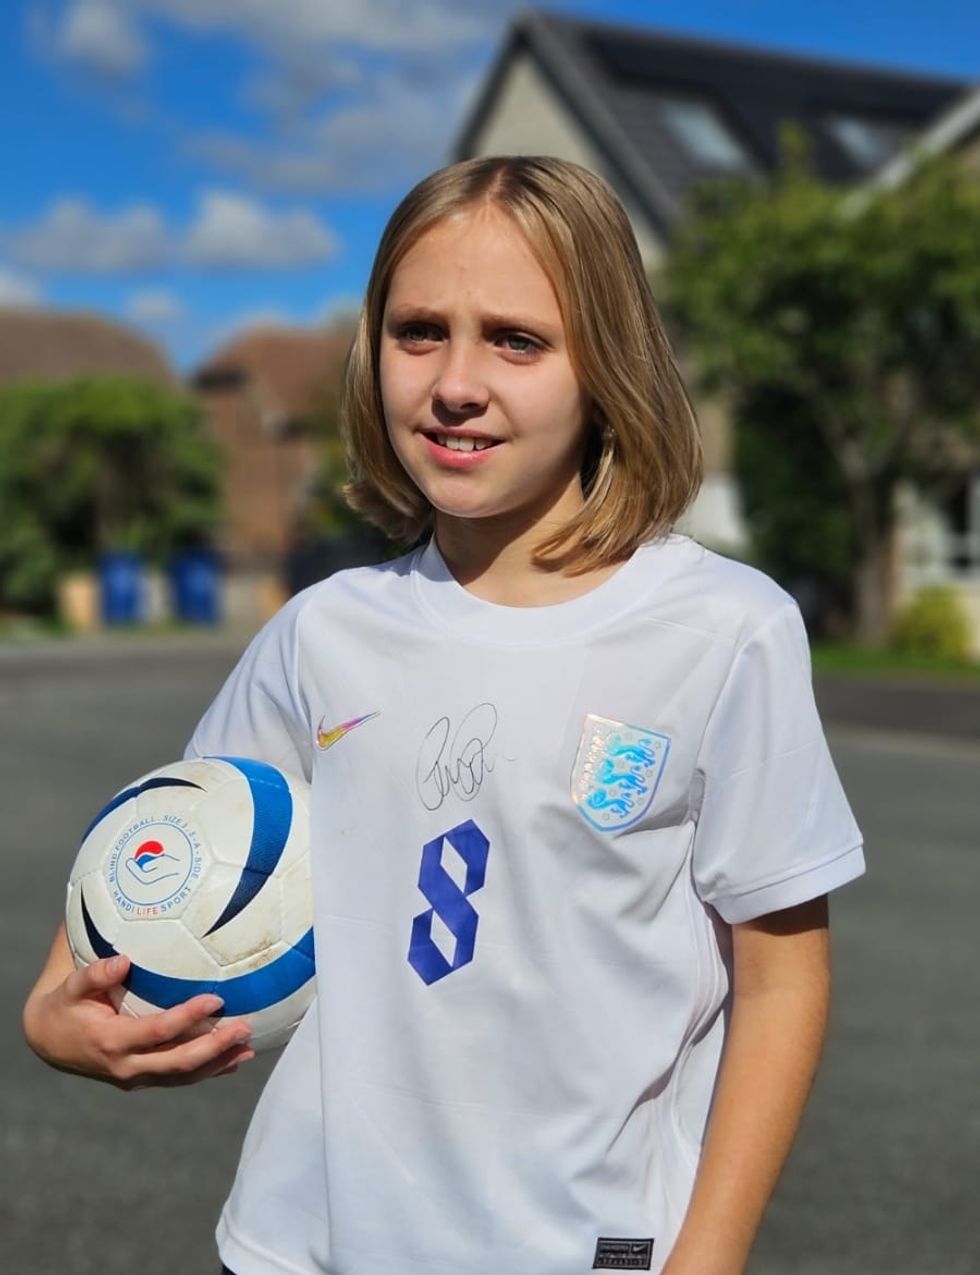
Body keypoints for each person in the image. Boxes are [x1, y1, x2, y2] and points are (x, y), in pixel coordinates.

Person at [24, 155, 865, 1275]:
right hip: (299, 1245)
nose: (455, 382)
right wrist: (53, 1018)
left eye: (515, 340)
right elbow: (172, 847)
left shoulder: (721, 630)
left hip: (580, 1248)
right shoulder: (323, 633)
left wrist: (704, 1259)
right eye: (419, 331)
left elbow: (780, 977)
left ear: (604, 363)